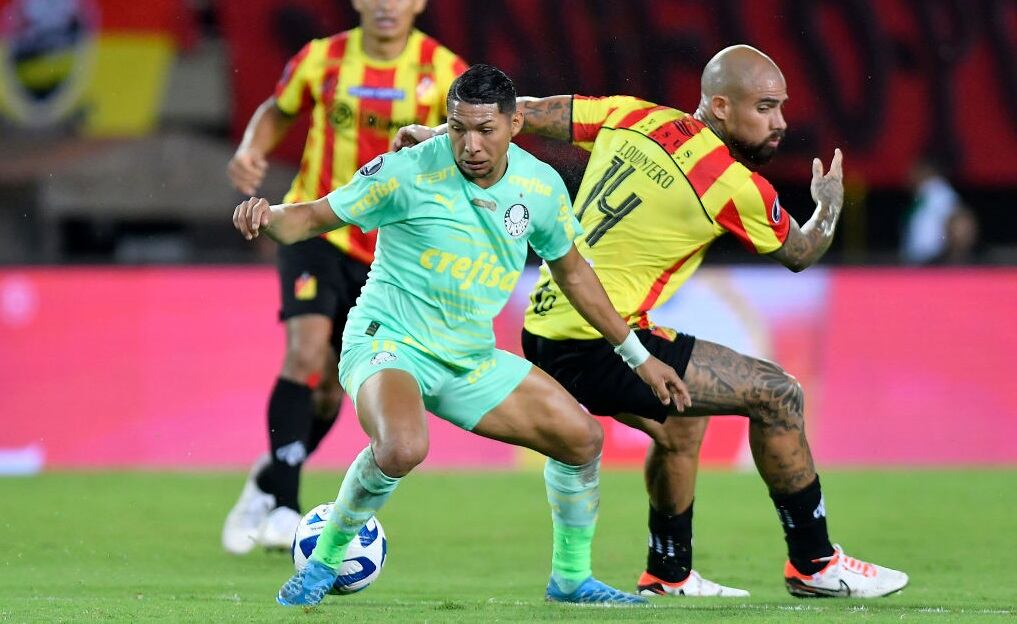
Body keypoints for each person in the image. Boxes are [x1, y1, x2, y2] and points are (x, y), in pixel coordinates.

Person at [395, 45, 909, 599]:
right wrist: (828, 205)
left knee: (681, 422)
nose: (780, 123)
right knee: (777, 394)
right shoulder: (735, 186)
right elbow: (802, 252)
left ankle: (669, 573)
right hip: (598, 338)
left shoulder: (636, 116)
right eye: (765, 108)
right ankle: (815, 563)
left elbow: (532, 112)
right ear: (719, 105)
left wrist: (441, 135)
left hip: (548, 327)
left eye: (781, 108)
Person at [233, 64, 693, 606]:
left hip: (468, 357)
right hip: (389, 342)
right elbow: (312, 217)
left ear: (515, 122)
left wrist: (636, 355)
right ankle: (321, 565)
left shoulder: (538, 187)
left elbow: (574, 273)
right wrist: (267, 215)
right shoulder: (406, 173)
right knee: (403, 446)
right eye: (457, 129)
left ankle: (571, 580)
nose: (470, 145)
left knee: (582, 441)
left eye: (485, 130)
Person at [222, 0, 468, 554]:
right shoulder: (322, 59)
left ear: (419, 4)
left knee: (333, 392)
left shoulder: (446, 70)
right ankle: (284, 504)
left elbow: (473, 142)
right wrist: (251, 148)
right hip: (316, 225)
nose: (386, 6)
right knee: (305, 353)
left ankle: (265, 482)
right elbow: (278, 109)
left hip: (389, 250)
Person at [901, 158, 973, 265]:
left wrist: (956, 254)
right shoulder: (922, 193)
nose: (910, 175)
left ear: (926, 170)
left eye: (915, 171)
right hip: (916, 257)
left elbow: (960, 224)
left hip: (934, 257)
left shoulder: (940, 192)